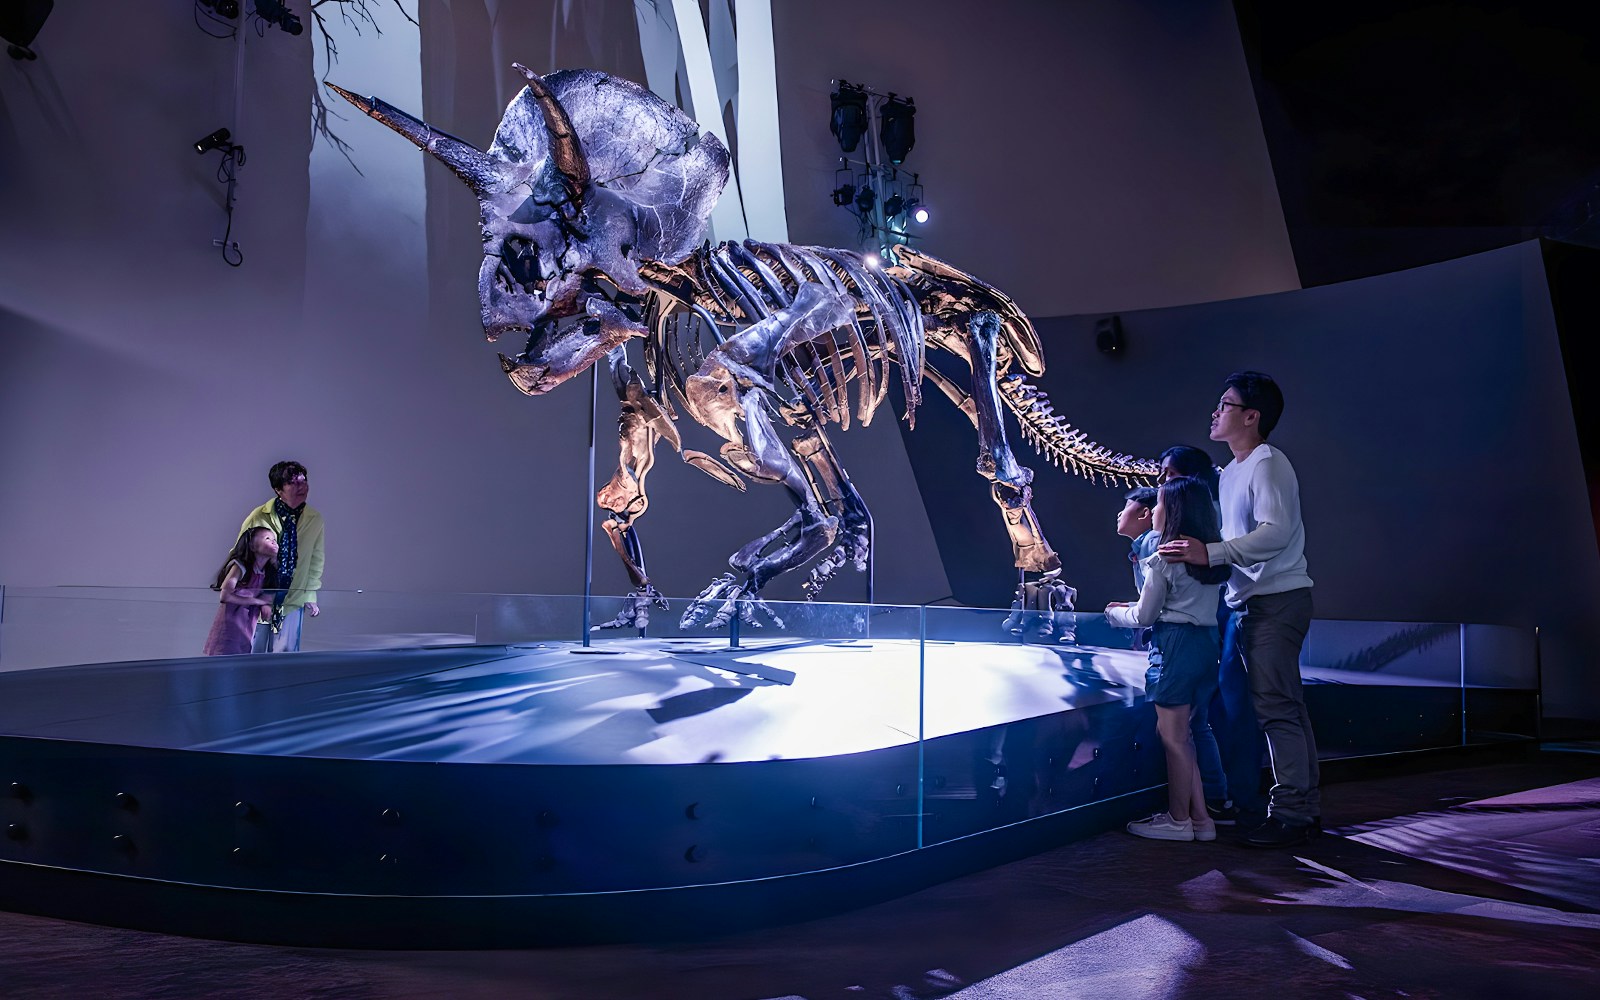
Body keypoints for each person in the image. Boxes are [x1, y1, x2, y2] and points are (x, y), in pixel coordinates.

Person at [1160, 371, 1319, 847]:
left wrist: (1209, 553)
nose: (1215, 412)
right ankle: (1299, 809)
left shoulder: (1269, 463)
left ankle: (1292, 816)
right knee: (1282, 707)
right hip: (1249, 604)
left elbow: (1274, 533)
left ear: (1252, 416)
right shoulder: (1231, 472)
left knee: (1276, 708)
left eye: (1225, 404)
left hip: (1276, 602)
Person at [1106, 476, 1232, 842]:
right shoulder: (1208, 557)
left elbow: (1146, 616)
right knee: (1185, 734)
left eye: (1159, 504)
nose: (1154, 510)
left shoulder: (1163, 559)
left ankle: (1178, 820)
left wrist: (1114, 614)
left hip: (1175, 645)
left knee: (1172, 737)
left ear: (1173, 510)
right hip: (1206, 644)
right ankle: (1201, 820)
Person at [1159, 443, 1253, 826]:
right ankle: (1209, 808)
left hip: (1201, 629)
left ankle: (1206, 807)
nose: (1161, 483)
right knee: (1198, 720)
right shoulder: (1208, 524)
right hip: (1207, 628)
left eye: (1168, 475)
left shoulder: (1194, 534)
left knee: (1194, 722)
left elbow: (1151, 606)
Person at [240, 460, 324, 652]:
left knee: (284, 656)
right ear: (278, 489)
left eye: (303, 481)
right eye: (293, 483)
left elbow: (316, 559)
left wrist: (310, 593)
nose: (301, 487)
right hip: (257, 597)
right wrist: (236, 586)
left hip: (293, 599)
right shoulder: (259, 515)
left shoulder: (315, 518)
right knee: (251, 652)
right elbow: (240, 552)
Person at [202, 526, 280, 656]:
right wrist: (257, 602)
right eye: (268, 539)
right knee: (225, 655)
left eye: (275, 540)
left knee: (241, 655)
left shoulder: (267, 572)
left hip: (247, 626)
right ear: (252, 546)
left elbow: (267, 597)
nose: (274, 542)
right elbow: (225, 596)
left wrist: (265, 604)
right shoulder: (240, 566)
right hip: (229, 625)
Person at [1115, 486, 1160, 590]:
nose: (1120, 513)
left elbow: (1156, 594)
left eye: (1127, 506)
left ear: (1144, 513)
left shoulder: (1152, 542)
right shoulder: (1138, 551)